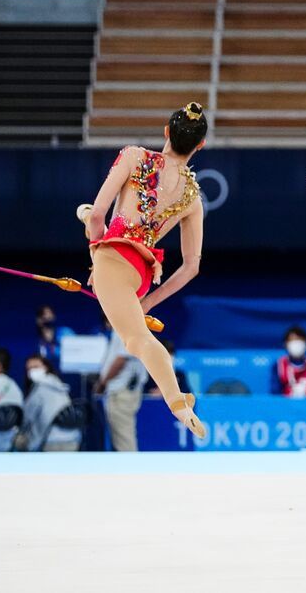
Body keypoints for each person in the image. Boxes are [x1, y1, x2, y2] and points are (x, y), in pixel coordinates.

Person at [79, 102, 207, 438]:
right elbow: (191, 266)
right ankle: (177, 397)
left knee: (137, 340)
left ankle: (176, 399)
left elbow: (97, 218)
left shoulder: (135, 156)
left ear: (166, 131)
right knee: (136, 337)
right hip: (140, 272)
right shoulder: (193, 197)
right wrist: (149, 301)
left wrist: (96, 257)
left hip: (113, 256)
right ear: (200, 145)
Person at [96, 325, 147, 452]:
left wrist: (102, 383)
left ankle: (130, 471)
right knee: (120, 439)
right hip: (123, 391)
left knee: (124, 441)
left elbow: (121, 360)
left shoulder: (126, 327)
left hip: (121, 392)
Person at [18, 355, 81, 452]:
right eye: (29, 369)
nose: (32, 371)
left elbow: (26, 418)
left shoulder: (40, 388)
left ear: (46, 367)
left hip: (51, 441)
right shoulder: (59, 385)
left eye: (36, 367)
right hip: (73, 439)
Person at [273, 326, 306, 398]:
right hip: (285, 407)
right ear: (285, 344)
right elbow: (275, 393)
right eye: (292, 340)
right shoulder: (279, 365)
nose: (296, 344)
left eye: (299, 340)